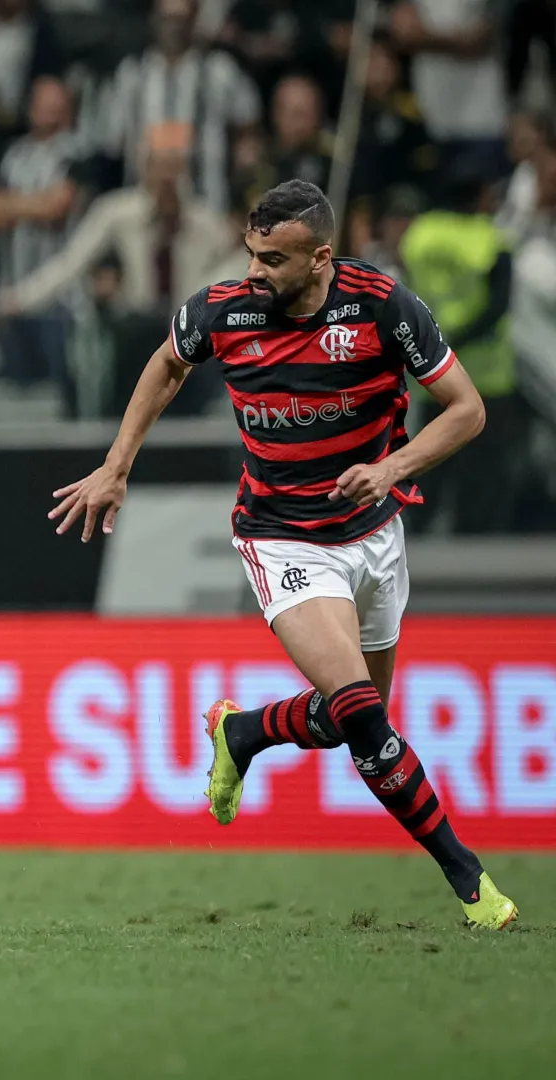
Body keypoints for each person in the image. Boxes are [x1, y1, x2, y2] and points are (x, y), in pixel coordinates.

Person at [49, 180, 517, 930]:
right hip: (281, 535)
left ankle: (244, 732)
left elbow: (468, 409)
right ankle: (471, 882)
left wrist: (393, 469)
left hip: (375, 532)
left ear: (320, 256)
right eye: (251, 254)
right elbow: (166, 365)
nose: (255, 271)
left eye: (273, 258)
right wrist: (117, 464)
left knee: (353, 720)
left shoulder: (383, 307)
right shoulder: (222, 311)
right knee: (364, 716)